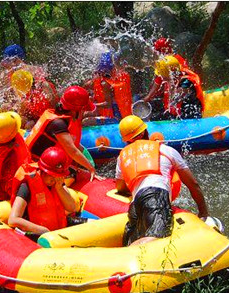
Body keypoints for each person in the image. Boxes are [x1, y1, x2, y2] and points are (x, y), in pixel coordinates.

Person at [115, 115, 209, 246]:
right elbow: (193, 184)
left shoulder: (123, 156)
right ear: (144, 132)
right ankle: (125, 256)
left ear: (125, 140)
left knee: (134, 237)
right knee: (158, 240)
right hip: (156, 195)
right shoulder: (165, 150)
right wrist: (204, 213)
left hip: (135, 204)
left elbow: (120, 187)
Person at [25, 86, 100, 187]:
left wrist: (90, 165)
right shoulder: (58, 124)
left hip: (47, 162)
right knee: (72, 174)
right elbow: (72, 151)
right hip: (37, 166)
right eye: (83, 110)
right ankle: (56, 192)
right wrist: (91, 169)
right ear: (75, 110)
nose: (84, 112)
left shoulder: (60, 117)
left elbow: (77, 146)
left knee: (74, 171)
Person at [8, 147, 78, 235]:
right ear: (42, 170)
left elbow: (71, 208)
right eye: (51, 175)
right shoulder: (27, 185)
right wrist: (41, 230)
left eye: (57, 176)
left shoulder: (58, 181)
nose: (54, 179)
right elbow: (13, 219)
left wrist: (59, 188)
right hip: (38, 233)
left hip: (58, 230)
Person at [143, 56, 205, 120]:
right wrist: (148, 97)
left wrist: (171, 86)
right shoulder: (175, 75)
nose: (161, 76)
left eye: (162, 74)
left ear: (169, 74)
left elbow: (175, 99)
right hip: (178, 112)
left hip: (191, 115)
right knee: (155, 117)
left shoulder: (186, 82)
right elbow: (159, 80)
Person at [83, 52, 133, 126]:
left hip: (117, 119)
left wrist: (91, 105)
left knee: (85, 121)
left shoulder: (105, 83)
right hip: (125, 116)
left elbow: (108, 104)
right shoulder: (121, 77)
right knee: (84, 114)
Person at [143, 37, 190, 109]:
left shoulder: (174, 60)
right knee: (169, 107)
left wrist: (149, 96)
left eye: (158, 51)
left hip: (179, 92)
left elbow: (186, 77)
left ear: (163, 50)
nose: (157, 53)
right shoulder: (164, 60)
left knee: (175, 107)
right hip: (171, 91)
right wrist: (149, 96)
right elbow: (158, 79)